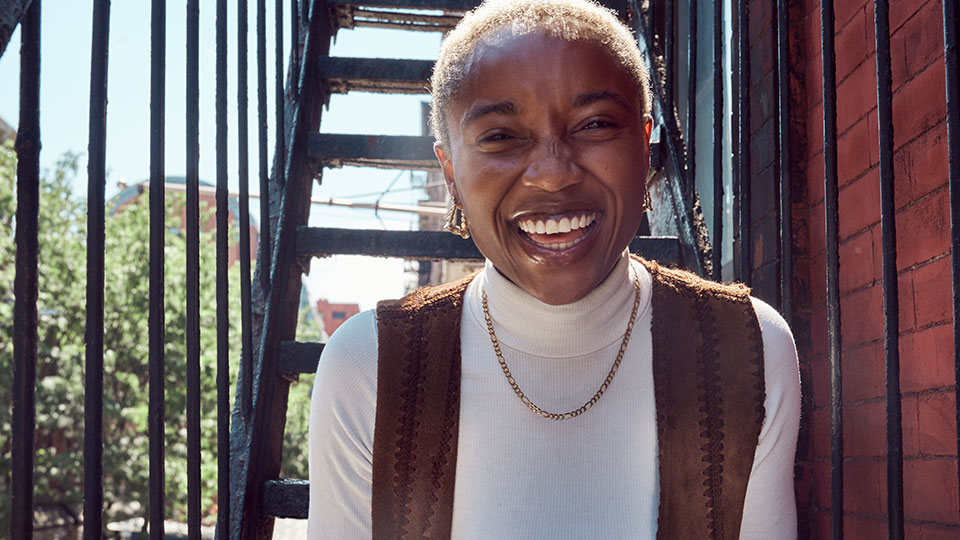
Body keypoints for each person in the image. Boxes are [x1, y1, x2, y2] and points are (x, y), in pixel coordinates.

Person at [307, 0, 800, 538]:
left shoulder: (746, 349)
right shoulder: (370, 369)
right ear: (450, 172)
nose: (552, 174)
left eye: (594, 124)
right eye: (500, 136)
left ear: (643, 144)